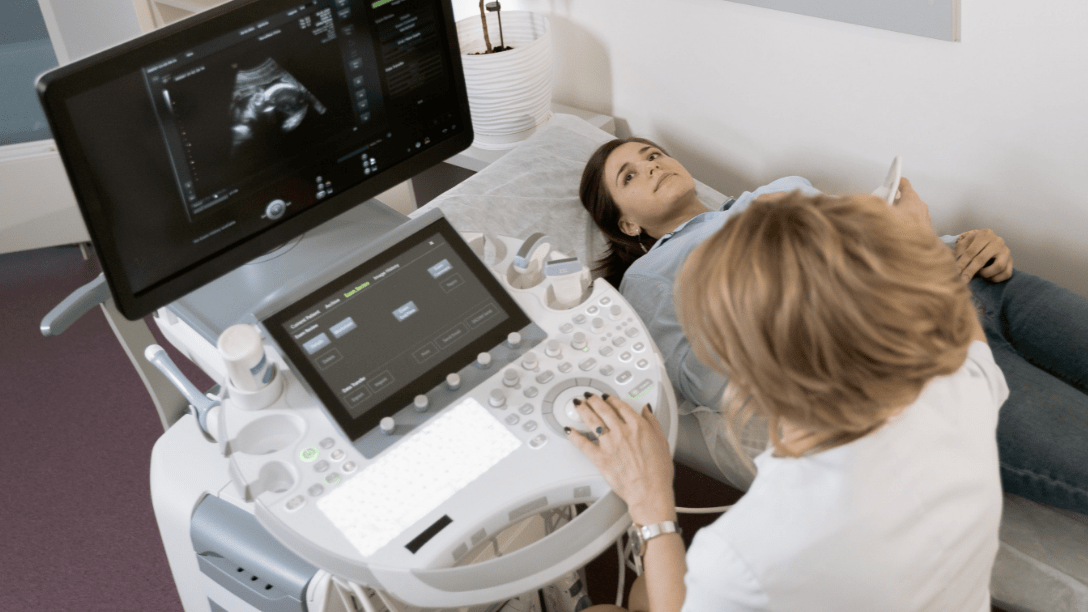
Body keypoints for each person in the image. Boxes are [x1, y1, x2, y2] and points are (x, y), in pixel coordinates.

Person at [579, 137, 1088, 514]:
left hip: (982, 283)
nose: (651, 165)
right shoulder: (649, 279)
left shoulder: (778, 191)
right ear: (627, 224)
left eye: (652, 155)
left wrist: (969, 242)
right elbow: (713, 381)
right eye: (629, 176)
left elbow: (884, 236)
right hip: (915, 346)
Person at [569, 191, 1005, 610]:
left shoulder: (744, 556)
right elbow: (961, 322)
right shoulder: (958, 386)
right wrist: (917, 240)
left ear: (742, 369)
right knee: (643, 596)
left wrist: (651, 504)